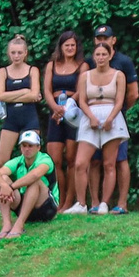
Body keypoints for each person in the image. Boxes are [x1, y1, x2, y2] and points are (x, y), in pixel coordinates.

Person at [71, 36, 128, 214]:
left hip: (113, 116)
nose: (101, 57)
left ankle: (104, 203)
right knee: (81, 163)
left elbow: (120, 101)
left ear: (110, 55)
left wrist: (110, 118)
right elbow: (81, 100)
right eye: (98, 54)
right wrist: (91, 118)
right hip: (91, 115)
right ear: (94, 57)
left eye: (104, 54)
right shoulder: (85, 76)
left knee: (109, 164)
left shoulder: (119, 75)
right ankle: (81, 203)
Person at [0, 34, 46, 210]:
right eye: (13, 52)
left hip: (30, 118)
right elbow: (0, 96)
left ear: (25, 53)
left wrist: (11, 95)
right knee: (2, 161)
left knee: (33, 160)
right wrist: (25, 91)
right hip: (11, 120)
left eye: (19, 52)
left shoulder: (33, 70)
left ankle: (36, 199)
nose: (16, 56)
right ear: (8, 53)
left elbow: (35, 94)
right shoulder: (3, 72)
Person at [96, 25, 139, 212]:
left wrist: (120, 110)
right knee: (95, 160)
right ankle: (96, 203)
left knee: (120, 160)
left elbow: (134, 93)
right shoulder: (93, 60)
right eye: (99, 38)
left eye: (106, 38)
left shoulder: (124, 61)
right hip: (95, 119)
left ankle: (122, 203)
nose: (102, 41)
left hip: (116, 118)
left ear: (113, 40)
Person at [0, 127, 58, 238]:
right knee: (2, 179)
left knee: (35, 181)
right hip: (24, 205)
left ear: (38, 147)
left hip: (46, 207)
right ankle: (7, 225)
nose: (27, 149)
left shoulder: (45, 159)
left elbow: (35, 175)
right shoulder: (18, 160)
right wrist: (4, 186)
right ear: (20, 148)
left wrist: (11, 187)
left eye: (30, 146)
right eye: (24, 145)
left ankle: (19, 225)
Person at [42, 30, 84, 199]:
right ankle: (58, 199)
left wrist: (66, 107)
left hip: (73, 113)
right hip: (55, 114)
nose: (70, 48)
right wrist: (55, 107)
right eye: (67, 45)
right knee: (55, 160)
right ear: (61, 47)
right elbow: (46, 89)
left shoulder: (83, 65)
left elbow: (82, 90)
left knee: (71, 159)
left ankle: (69, 201)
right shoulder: (52, 65)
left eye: (73, 45)